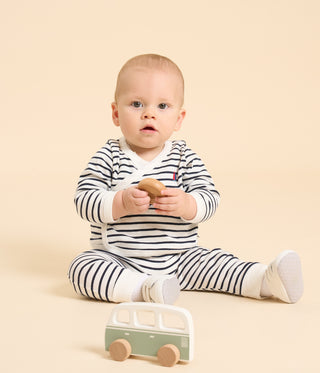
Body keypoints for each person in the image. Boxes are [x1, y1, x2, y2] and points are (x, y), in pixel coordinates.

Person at [68, 54, 303, 304]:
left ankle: (266, 280)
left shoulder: (184, 158)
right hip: (120, 259)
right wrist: (120, 202)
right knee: (82, 267)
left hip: (181, 258)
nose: (149, 114)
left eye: (162, 106)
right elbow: (84, 200)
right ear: (116, 113)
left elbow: (210, 197)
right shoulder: (109, 156)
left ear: (178, 119)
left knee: (217, 264)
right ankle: (142, 289)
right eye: (136, 104)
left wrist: (186, 205)